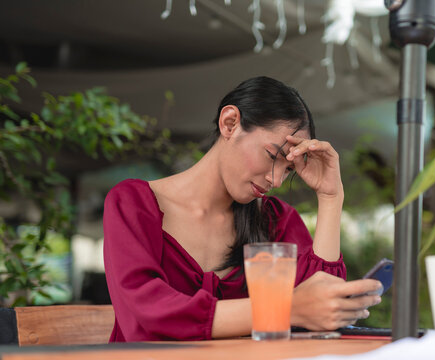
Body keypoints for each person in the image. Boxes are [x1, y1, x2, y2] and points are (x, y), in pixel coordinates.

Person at [103, 76, 383, 341]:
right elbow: (147, 315)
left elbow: (324, 311)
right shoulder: (133, 204)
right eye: (272, 156)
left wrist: (331, 197)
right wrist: (284, 309)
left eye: (288, 171)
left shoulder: (275, 221)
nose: (275, 180)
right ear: (229, 123)